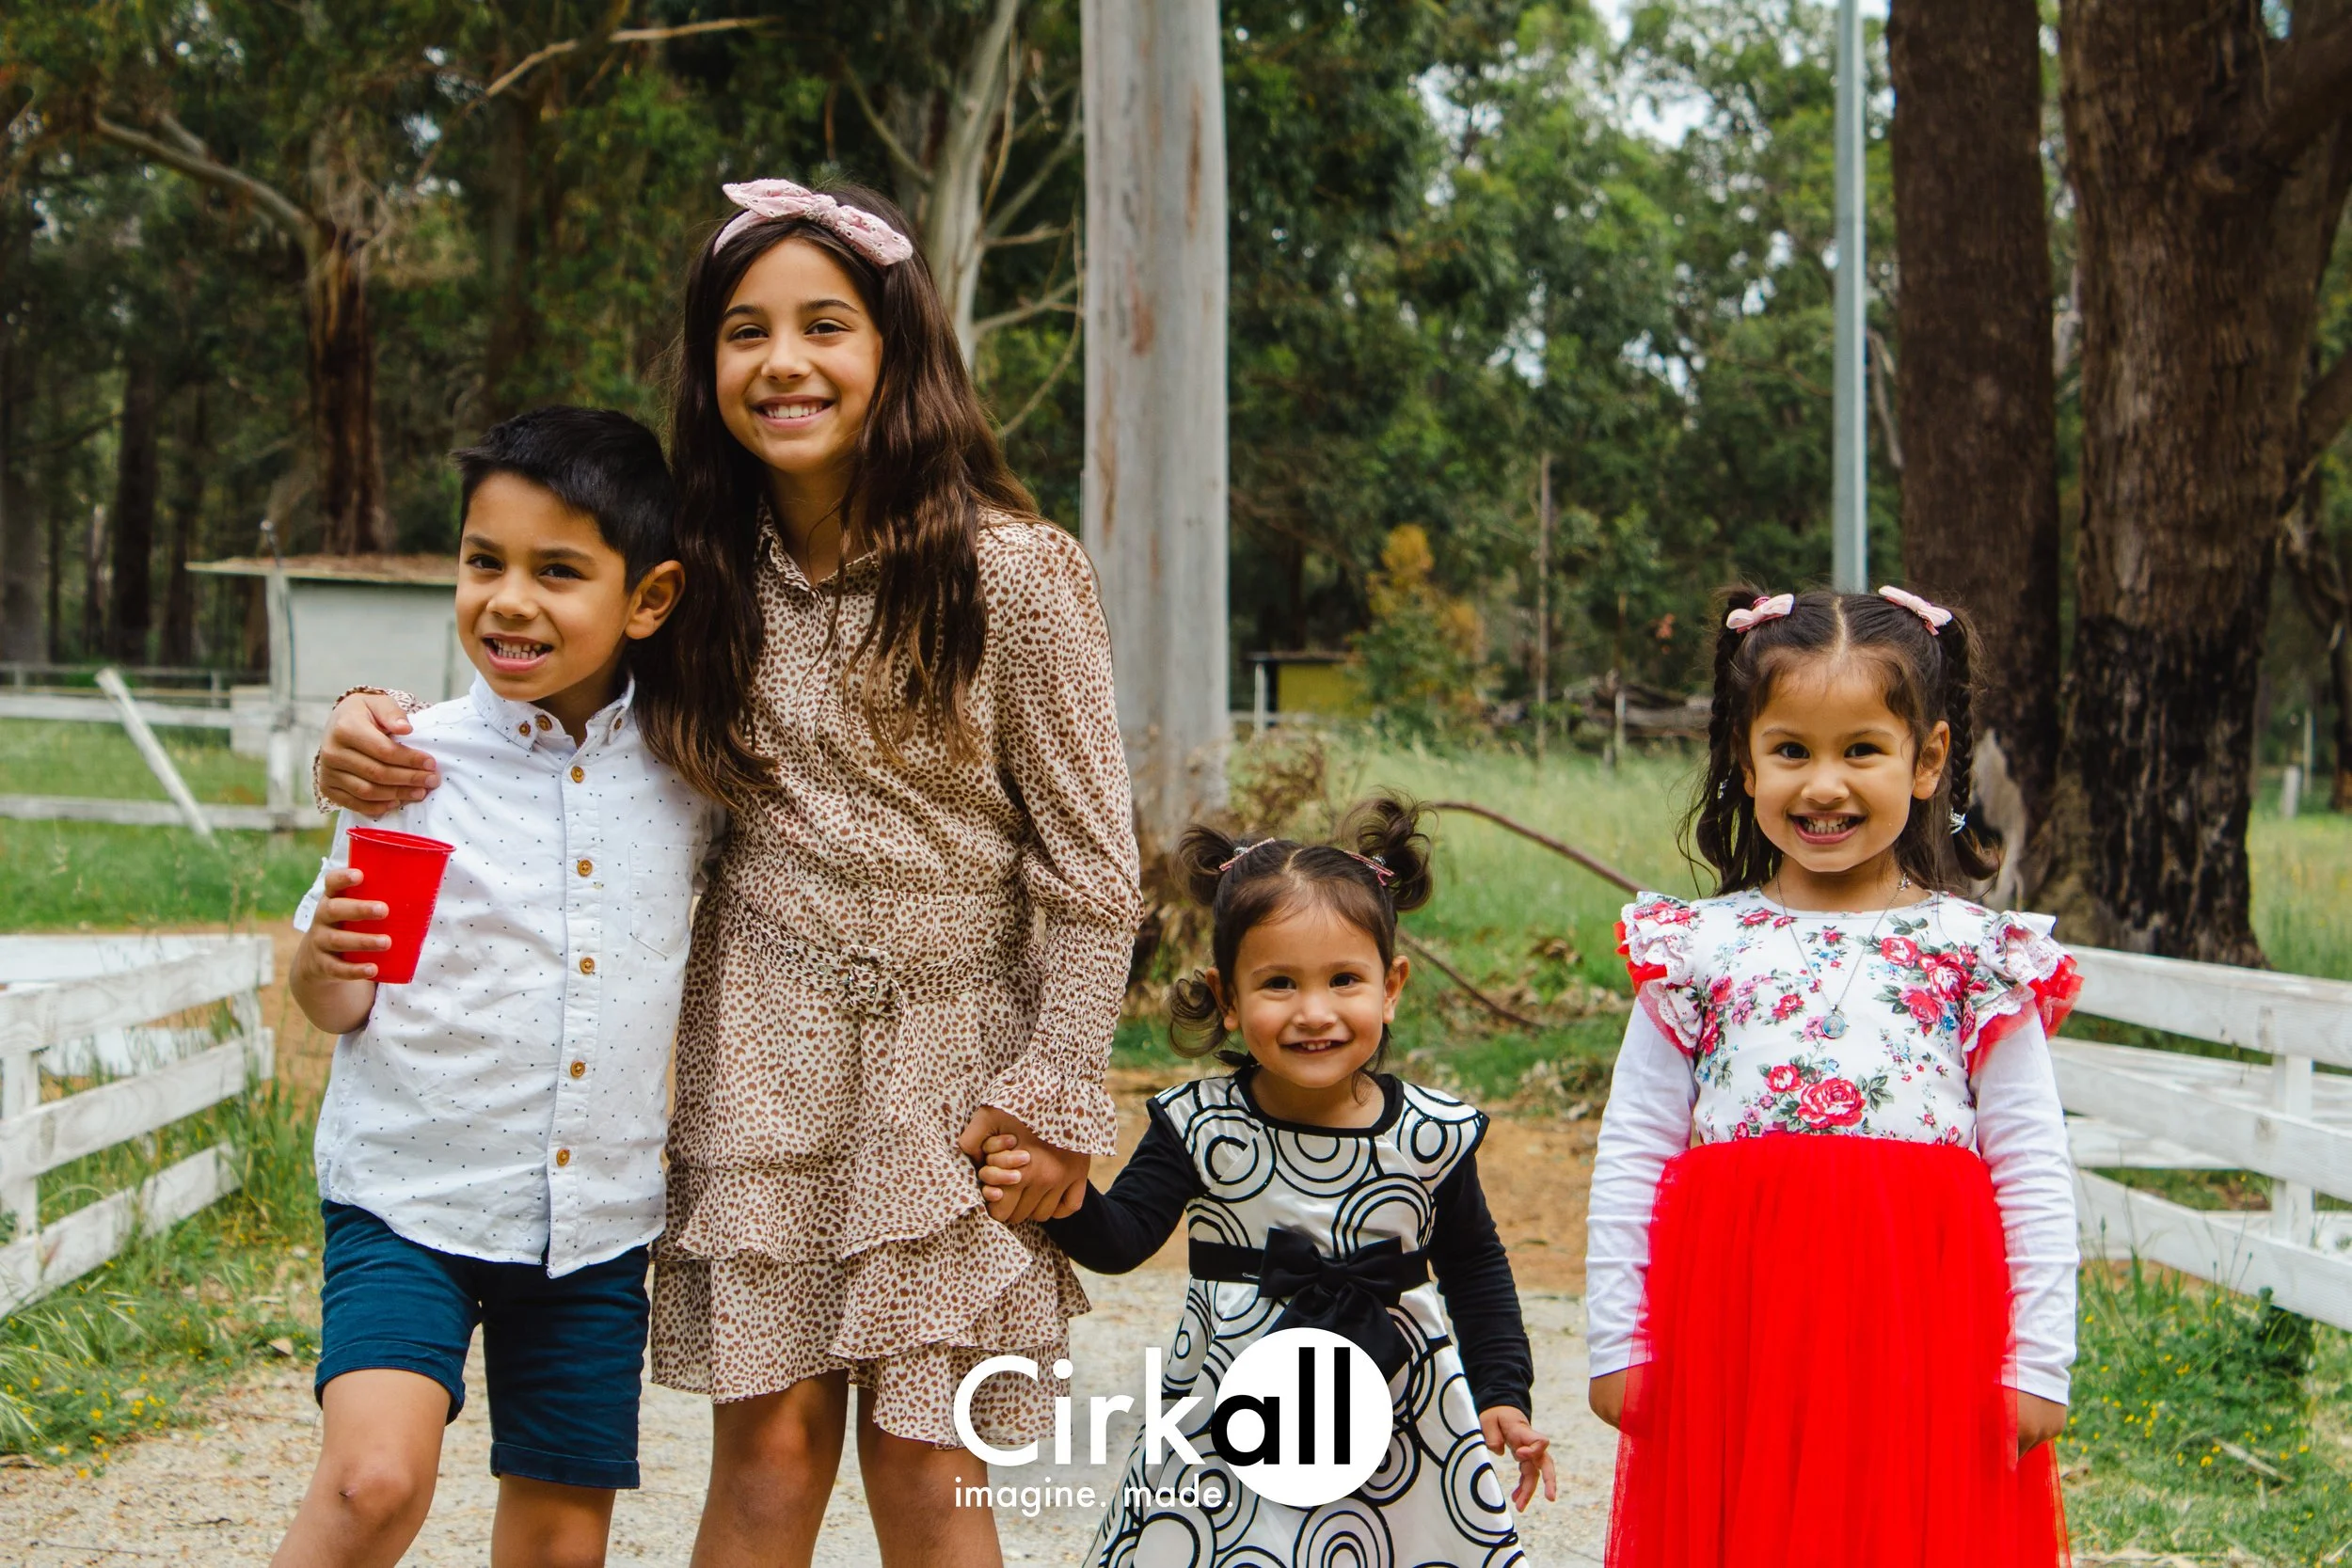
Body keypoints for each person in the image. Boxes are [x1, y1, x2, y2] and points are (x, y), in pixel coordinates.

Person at [310, 179, 1140, 1568]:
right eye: (744, 331)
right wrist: (359, 718)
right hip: (762, 1043)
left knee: (934, 1468)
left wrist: (1055, 1092)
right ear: (709, 364)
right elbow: (538, 662)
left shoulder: (1014, 570)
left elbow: (1093, 868)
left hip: (957, 1057)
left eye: (825, 325)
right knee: (764, 1456)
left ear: (895, 348)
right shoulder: (699, 569)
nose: (784, 362)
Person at [276, 406, 719, 1568]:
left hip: (593, 1226)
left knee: (562, 1544)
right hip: (406, 1201)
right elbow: (340, 999)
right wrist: (318, 968)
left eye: (558, 570)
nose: (509, 599)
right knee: (373, 1481)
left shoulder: (691, 776)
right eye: (484, 562)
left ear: (649, 599)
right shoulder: (406, 759)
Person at [1584, 585, 2082, 1568]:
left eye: (1860, 749)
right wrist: (1617, 1339)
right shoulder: (1697, 945)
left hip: (1922, 1331)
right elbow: (1633, 1144)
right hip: (1741, 1332)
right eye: (1791, 751)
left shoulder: (1976, 955)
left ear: (1927, 758)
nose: (1824, 785)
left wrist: (2037, 1358)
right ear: (1744, 758)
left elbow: (2031, 1164)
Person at [977, 796, 1556, 1565]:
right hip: (1233, 1418)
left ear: (1391, 986)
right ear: (1226, 996)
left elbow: (1477, 1269)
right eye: (1279, 983)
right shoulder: (1200, 1123)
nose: (1314, 1012)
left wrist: (1503, 1395)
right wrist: (1056, 1199)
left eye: (1344, 978)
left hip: (1401, 1419)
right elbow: (1122, 1240)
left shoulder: (1432, 1135)